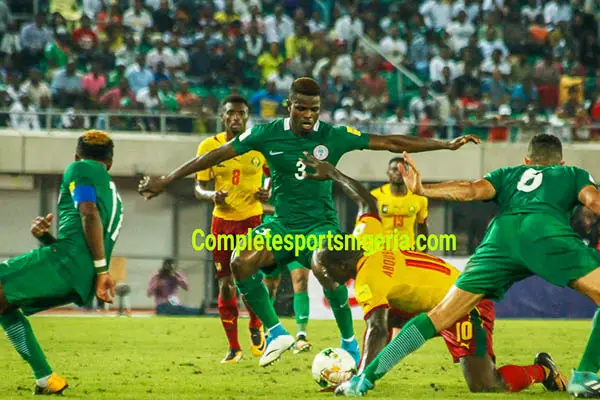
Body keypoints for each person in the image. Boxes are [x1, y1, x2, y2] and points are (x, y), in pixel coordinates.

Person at [137, 77, 480, 368]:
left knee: (324, 266)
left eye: (314, 109)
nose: (308, 116)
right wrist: (167, 179)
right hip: (282, 225)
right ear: (289, 105)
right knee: (239, 261)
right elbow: (214, 155)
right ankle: (276, 333)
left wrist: (444, 145)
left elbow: (390, 142)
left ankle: (348, 342)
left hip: (321, 226)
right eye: (301, 108)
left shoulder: (334, 135)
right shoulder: (266, 134)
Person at [337, 134, 600, 398]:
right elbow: (593, 201)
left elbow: (470, 189)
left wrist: (423, 190)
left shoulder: (508, 173)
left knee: (439, 315)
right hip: (545, 233)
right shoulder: (572, 173)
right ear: (561, 162)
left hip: (500, 239)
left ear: (527, 161)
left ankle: (364, 379)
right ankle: (585, 375)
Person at [0, 130, 120, 394]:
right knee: (4, 305)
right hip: (78, 273)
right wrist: (45, 238)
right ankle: (46, 379)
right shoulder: (113, 194)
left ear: (76, 156)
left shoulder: (79, 169)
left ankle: (45, 377)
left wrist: (103, 271)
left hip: (67, 263)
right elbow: (85, 234)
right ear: (110, 163)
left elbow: (88, 214)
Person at [194, 95, 276, 363]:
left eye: (241, 113)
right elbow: (198, 188)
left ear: (247, 116)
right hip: (222, 223)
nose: (236, 117)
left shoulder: (258, 144)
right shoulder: (209, 146)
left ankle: (255, 324)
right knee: (226, 285)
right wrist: (211, 196)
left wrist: (267, 191)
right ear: (223, 116)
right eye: (231, 113)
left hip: (252, 220)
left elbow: (273, 175)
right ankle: (233, 347)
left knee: (250, 280)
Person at [370, 157, 428, 252]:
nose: (398, 172)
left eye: (402, 169)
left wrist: (423, 252)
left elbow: (422, 226)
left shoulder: (419, 198)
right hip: (382, 251)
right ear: (388, 172)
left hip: (408, 250)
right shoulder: (375, 196)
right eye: (394, 169)